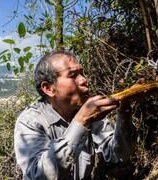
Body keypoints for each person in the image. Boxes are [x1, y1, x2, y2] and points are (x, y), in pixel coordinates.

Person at [14, 50, 136, 180]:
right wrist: (81, 121)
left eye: (82, 73)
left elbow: (118, 154)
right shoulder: (31, 121)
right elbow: (40, 175)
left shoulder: (86, 111)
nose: (84, 80)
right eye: (73, 75)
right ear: (48, 88)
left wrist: (124, 112)